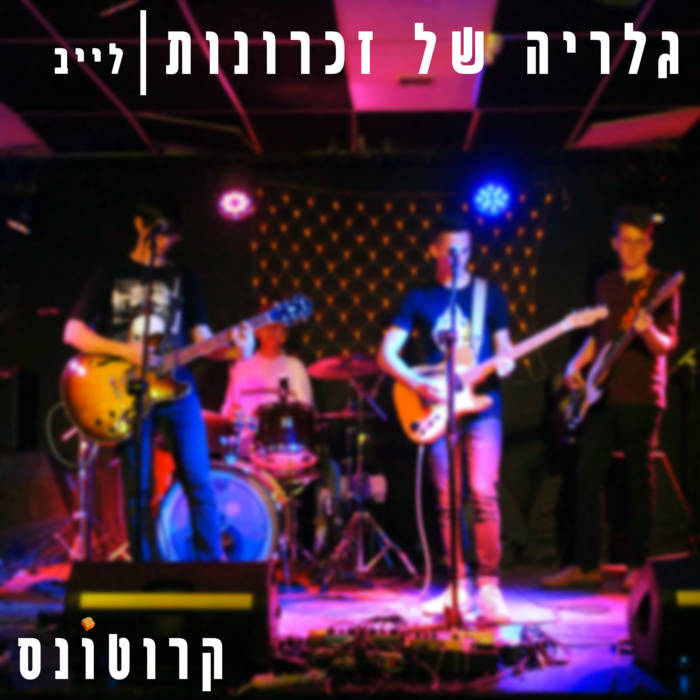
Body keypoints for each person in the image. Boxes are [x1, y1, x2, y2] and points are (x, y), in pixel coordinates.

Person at [64, 201, 253, 561]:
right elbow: (73, 332)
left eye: (172, 236)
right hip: (129, 391)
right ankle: (144, 569)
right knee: (138, 490)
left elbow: (203, 340)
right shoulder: (111, 272)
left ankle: (210, 566)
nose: (165, 242)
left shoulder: (186, 278)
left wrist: (236, 350)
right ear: (140, 224)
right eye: (160, 233)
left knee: (198, 480)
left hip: (178, 389)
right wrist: (125, 351)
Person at [377, 218, 516, 622]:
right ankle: (457, 586)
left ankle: (488, 587)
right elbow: (386, 355)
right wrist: (417, 384)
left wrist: (506, 363)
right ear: (435, 251)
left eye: (466, 251)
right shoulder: (419, 297)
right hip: (437, 407)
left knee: (483, 491)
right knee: (446, 499)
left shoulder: (490, 293)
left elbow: (505, 348)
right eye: (452, 251)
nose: (460, 259)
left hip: (482, 405)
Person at [542, 205, 680, 591]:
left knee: (638, 481)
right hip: (601, 395)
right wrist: (575, 364)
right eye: (625, 241)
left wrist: (647, 330)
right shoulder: (605, 284)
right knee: (586, 477)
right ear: (614, 243)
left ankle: (636, 566)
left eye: (639, 242)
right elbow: (598, 336)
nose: (632, 249)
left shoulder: (662, 285)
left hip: (642, 395)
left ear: (649, 244)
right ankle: (586, 564)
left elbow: (666, 344)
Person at [221, 307, 339, 555]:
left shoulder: (295, 367)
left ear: (285, 334)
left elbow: (305, 414)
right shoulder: (241, 367)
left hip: (287, 450)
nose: (273, 332)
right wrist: (237, 420)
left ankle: (307, 543)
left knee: (331, 470)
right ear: (257, 331)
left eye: (279, 327)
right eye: (268, 326)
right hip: (249, 450)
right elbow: (227, 414)